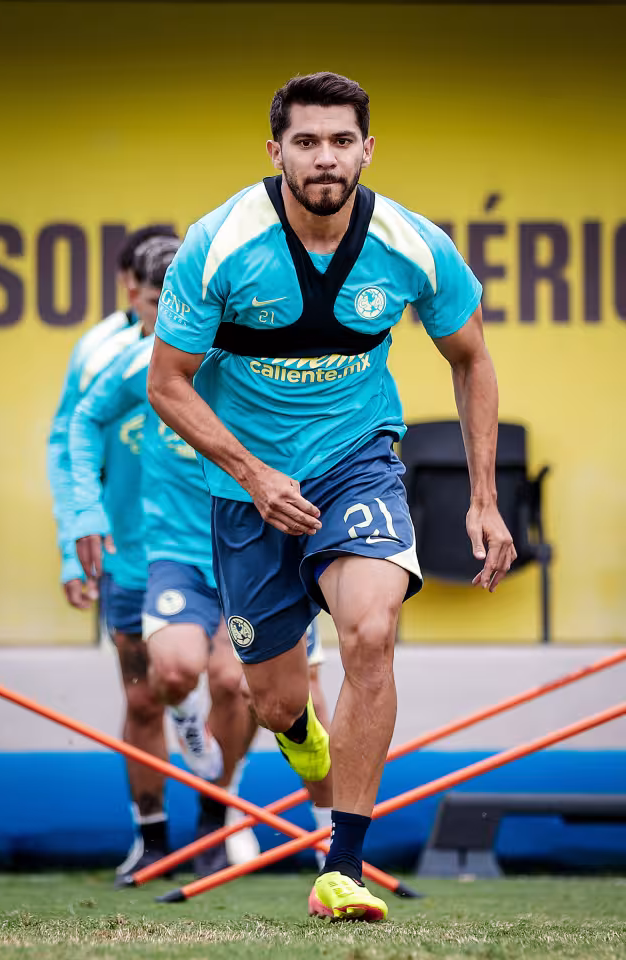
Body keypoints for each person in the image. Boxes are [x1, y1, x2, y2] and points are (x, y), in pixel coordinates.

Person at [147, 71, 516, 921]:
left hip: (358, 461)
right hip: (248, 487)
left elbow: (472, 359)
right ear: (275, 150)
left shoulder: (412, 244)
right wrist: (252, 474)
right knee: (273, 702)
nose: (325, 158)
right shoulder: (222, 242)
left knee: (372, 631)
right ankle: (307, 741)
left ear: (367, 150)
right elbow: (168, 383)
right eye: (307, 141)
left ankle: (339, 865)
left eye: (342, 141)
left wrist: (484, 500)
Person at [72, 318, 333, 877]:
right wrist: (80, 514)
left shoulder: (265, 357)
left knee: (264, 690)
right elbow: (79, 422)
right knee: (169, 675)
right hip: (178, 554)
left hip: (263, 545)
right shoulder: (138, 362)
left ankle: (322, 831)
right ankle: (196, 752)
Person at [50, 232, 180, 878]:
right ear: (132, 287)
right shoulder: (104, 353)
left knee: (236, 689)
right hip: (129, 550)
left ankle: (218, 825)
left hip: (207, 544)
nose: (158, 307)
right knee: (143, 699)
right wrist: (75, 541)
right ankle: (154, 840)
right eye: (151, 293)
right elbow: (67, 440)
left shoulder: (221, 342)